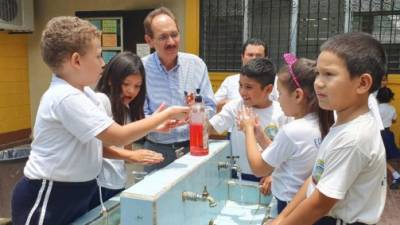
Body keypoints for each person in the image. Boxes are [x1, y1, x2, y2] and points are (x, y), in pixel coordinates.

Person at [11, 16, 189, 225]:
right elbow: (117, 135)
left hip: (77, 192)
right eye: (98, 56)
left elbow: (104, 140)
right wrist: (166, 114)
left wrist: (154, 124)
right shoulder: (64, 97)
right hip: (50, 195)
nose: (103, 63)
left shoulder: (85, 94)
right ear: (77, 61)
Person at [269, 32, 387, 225]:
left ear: (363, 83)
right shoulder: (340, 124)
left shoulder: (353, 137)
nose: (318, 83)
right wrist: (282, 218)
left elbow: (319, 204)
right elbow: (315, 180)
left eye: (329, 74)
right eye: (318, 73)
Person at [237, 53, 334, 215]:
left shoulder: (293, 131)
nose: (278, 100)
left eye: (280, 94)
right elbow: (281, 156)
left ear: (297, 95)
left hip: (289, 204)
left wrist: (248, 130)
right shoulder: (320, 122)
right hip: (305, 204)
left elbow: (258, 168)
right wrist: (259, 133)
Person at [89, 51, 168, 209]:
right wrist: (132, 156)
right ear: (111, 80)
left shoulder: (125, 107)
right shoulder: (101, 101)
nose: (131, 91)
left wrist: (155, 127)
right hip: (98, 184)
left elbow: (125, 140)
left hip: (117, 180)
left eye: (137, 86)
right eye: (126, 84)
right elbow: (94, 147)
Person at [142, 7, 216, 172]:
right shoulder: (141, 68)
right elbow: (137, 116)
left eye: (174, 34)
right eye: (163, 37)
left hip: (194, 146)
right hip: (157, 151)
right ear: (149, 40)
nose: (171, 42)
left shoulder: (196, 64)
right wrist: (157, 122)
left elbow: (211, 106)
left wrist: (197, 115)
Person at [208, 58, 287, 182]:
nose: (242, 92)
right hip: (239, 176)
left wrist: (273, 175)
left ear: (268, 89)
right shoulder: (235, 107)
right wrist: (196, 113)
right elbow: (211, 127)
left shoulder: (282, 113)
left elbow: (286, 154)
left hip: (271, 180)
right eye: (240, 85)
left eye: (249, 87)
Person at [214, 38, 268, 111]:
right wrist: (233, 104)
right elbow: (213, 106)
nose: (254, 59)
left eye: (258, 55)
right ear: (242, 57)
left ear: (266, 59)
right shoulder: (230, 81)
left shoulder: (275, 81)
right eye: (250, 55)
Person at [377, 86, 400, 189]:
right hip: (388, 134)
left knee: (380, 157)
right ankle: (395, 174)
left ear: (378, 97)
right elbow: (394, 119)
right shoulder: (392, 108)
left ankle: (395, 175)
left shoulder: (376, 109)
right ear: (390, 98)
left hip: (378, 135)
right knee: (392, 154)